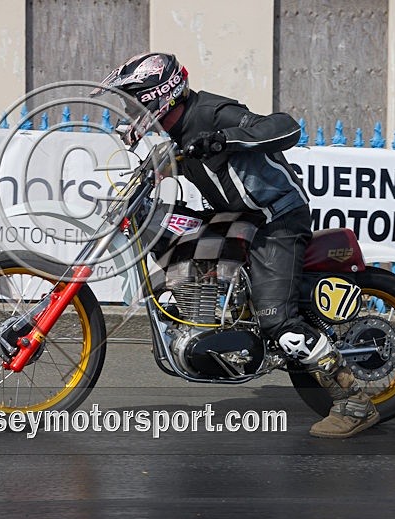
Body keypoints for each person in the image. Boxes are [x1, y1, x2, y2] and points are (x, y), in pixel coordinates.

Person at [93, 52, 379, 438]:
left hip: (276, 220)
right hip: (240, 218)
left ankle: (355, 401)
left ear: (158, 94)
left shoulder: (212, 113)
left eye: (132, 99)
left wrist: (225, 138)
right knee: (180, 239)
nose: (128, 109)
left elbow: (285, 128)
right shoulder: (174, 138)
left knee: (279, 322)